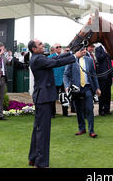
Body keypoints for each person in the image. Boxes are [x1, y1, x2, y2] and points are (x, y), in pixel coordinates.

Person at [27, 38, 85, 168]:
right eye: (40, 44)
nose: (43, 45)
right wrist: (74, 56)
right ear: (34, 49)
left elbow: (55, 59)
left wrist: (69, 53)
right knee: (43, 132)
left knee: (38, 130)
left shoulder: (39, 58)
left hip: (42, 98)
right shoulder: (38, 59)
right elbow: (55, 63)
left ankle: (33, 158)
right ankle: (41, 163)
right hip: (44, 99)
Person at [63, 47, 101, 138]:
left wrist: (97, 88)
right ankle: (82, 129)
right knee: (78, 110)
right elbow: (66, 75)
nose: (84, 51)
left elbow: (93, 75)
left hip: (87, 88)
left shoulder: (89, 60)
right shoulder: (72, 60)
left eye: (85, 49)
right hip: (76, 89)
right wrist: (67, 86)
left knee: (89, 109)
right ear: (77, 51)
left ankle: (91, 131)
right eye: (82, 50)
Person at [48, 44, 68, 117]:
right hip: (54, 80)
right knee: (53, 97)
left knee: (64, 96)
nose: (59, 48)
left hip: (64, 80)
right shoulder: (50, 57)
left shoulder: (65, 56)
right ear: (54, 49)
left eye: (60, 47)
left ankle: (65, 113)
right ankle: (52, 114)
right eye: (57, 47)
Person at [94, 44, 113, 116]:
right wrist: (105, 52)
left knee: (108, 93)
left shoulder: (108, 47)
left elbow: (111, 58)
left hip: (109, 75)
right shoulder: (98, 49)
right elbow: (99, 58)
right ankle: (101, 110)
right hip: (102, 75)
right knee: (102, 93)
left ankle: (107, 109)